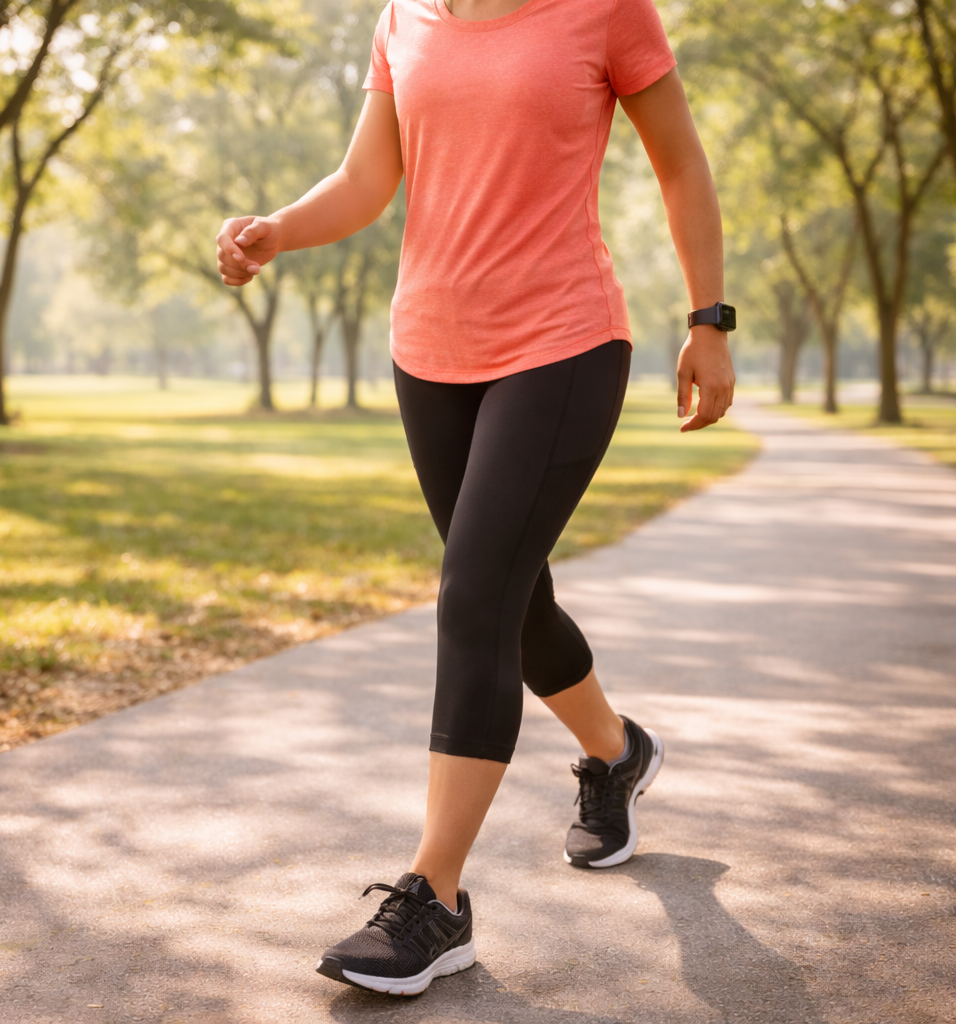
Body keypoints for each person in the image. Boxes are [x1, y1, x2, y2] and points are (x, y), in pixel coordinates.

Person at [216, 0, 735, 998]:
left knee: (475, 591)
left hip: (563, 341)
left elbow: (679, 162)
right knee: (512, 601)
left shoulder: (604, 9)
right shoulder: (403, 17)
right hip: (429, 351)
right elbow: (367, 179)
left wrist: (708, 318)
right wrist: (277, 231)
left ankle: (435, 896)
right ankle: (617, 753)